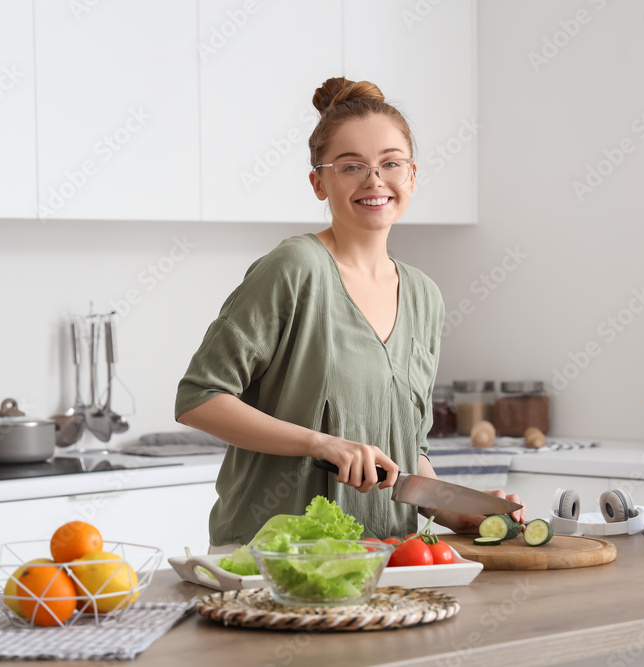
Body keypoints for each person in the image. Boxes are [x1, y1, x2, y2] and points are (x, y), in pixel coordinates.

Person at [175, 77, 524, 551]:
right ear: (319, 181)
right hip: (278, 559)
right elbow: (199, 399)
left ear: (413, 175)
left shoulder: (425, 296)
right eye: (351, 166)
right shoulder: (295, 269)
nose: (374, 180)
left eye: (390, 164)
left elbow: (406, 451)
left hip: (390, 557)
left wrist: (456, 508)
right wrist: (321, 443)